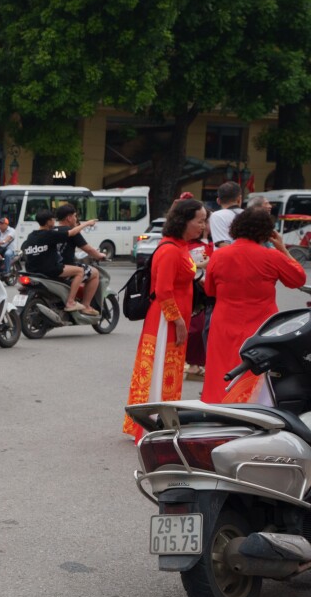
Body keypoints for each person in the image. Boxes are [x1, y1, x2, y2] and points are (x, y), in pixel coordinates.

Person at [201, 208, 307, 402]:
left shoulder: (219, 255)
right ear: (267, 231)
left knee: (221, 368)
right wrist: (283, 249)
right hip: (261, 324)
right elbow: (298, 279)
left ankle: (219, 408)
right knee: (257, 368)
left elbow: (210, 290)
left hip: (224, 322)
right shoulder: (272, 256)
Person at [123, 198, 205, 441]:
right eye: (199, 221)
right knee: (160, 368)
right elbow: (163, 290)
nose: (203, 226)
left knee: (167, 369)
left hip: (173, 316)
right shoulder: (170, 249)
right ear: (184, 221)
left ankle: (161, 421)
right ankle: (154, 424)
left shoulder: (180, 246)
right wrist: (178, 321)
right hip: (164, 320)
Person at [20, 209, 99, 314]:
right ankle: (71, 302)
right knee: (80, 271)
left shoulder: (31, 236)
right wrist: (87, 223)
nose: (54, 222)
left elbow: (24, 249)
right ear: (48, 222)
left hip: (33, 271)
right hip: (50, 270)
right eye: (53, 220)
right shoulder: (50, 234)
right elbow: (73, 232)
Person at [52, 203, 107, 313]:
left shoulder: (51, 230)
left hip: (50, 268)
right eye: (75, 216)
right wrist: (100, 255)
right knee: (95, 273)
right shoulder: (72, 232)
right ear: (69, 218)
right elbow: (89, 250)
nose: (76, 219)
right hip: (66, 269)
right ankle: (86, 306)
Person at [208, 181, 243, 247]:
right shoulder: (250, 214)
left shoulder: (217, 215)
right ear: (239, 199)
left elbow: (223, 244)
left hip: (229, 253)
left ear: (218, 201)